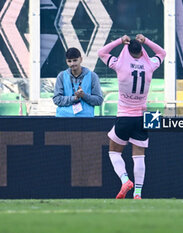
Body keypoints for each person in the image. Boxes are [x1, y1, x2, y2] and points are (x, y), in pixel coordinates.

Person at [97, 34, 166, 199]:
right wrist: (147, 40)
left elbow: (102, 52)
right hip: (144, 116)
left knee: (114, 152)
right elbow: (162, 53)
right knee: (139, 155)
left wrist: (120, 41)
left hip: (125, 114)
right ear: (142, 51)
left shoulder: (120, 64)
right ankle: (138, 193)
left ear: (127, 50)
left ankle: (125, 180)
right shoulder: (150, 65)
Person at [53, 47, 103, 117]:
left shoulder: (92, 76)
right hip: (64, 118)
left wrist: (84, 96)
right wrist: (73, 98)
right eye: (69, 61)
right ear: (66, 61)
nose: (72, 64)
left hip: (85, 119)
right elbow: (56, 99)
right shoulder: (61, 76)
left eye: (75, 60)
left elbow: (99, 100)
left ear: (81, 59)